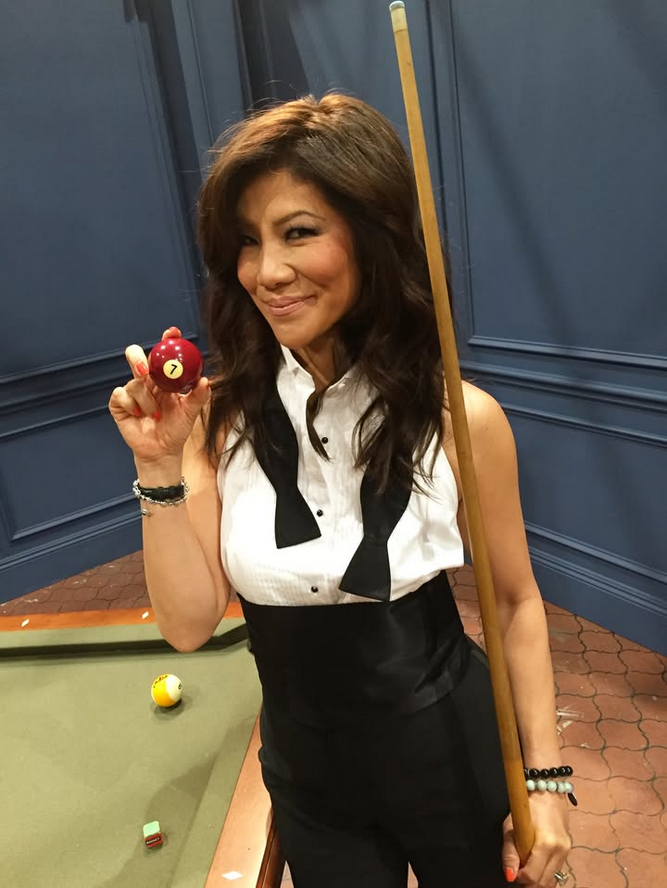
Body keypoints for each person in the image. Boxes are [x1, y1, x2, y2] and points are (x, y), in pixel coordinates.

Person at [109, 94, 572, 888]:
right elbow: (187, 626)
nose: (266, 271)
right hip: (310, 783)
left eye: (298, 232)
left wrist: (546, 781)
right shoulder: (217, 421)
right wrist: (158, 467)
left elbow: (515, 603)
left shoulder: (461, 420)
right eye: (247, 241)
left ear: (372, 236)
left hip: (453, 757)